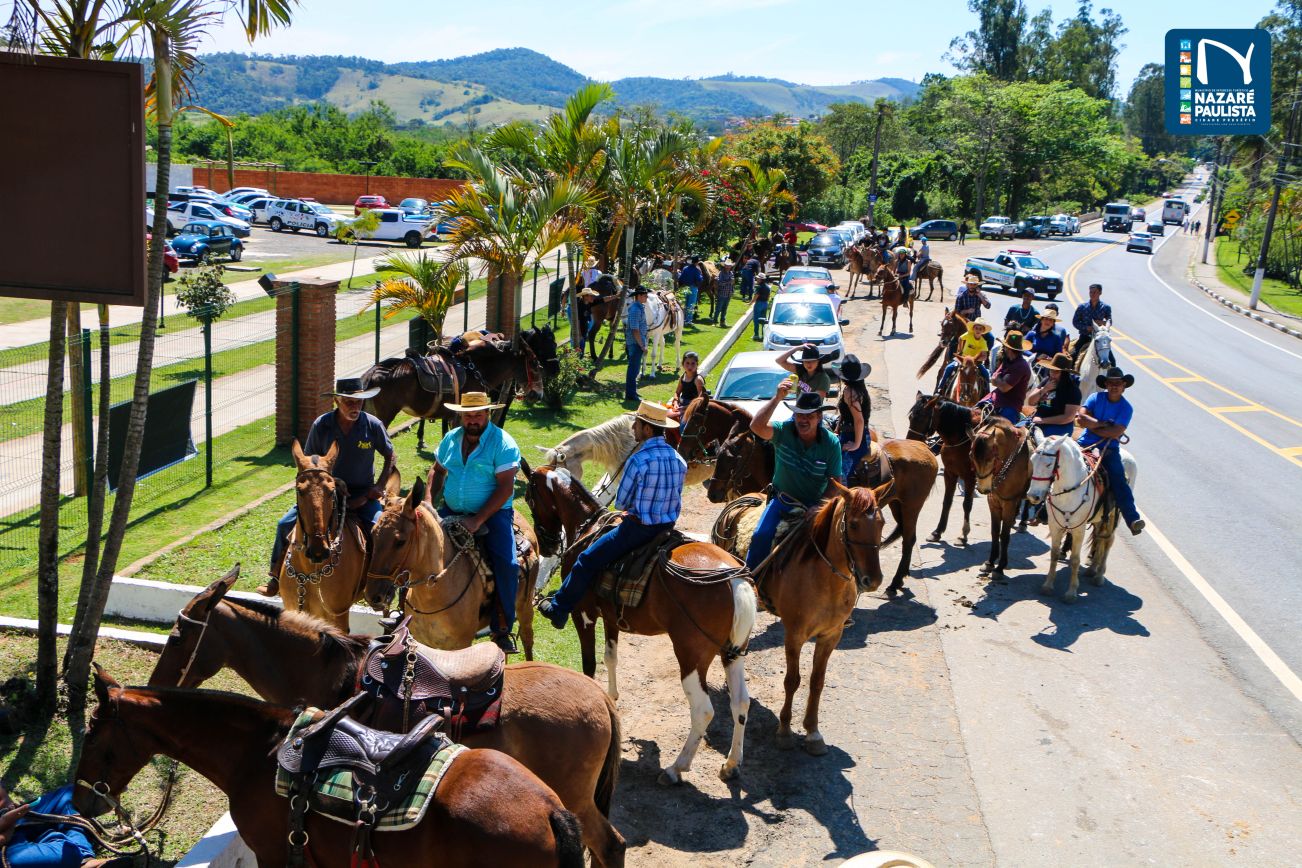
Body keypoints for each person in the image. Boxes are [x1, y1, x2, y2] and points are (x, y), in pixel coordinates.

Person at [537, 400, 687, 627]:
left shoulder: (638, 460)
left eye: (637, 424)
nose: (633, 427)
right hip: (667, 528)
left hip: (638, 529)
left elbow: (621, 502)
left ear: (647, 429)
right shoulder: (679, 459)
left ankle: (559, 609)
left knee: (586, 560)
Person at [263, 378, 395, 596]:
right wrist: (331, 482)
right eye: (349, 402)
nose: (355, 407)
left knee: (380, 530)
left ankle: (380, 583)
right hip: (325, 492)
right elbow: (310, 462)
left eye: (359, 401)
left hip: (363, 494)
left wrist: (379, 487)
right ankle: (275, 576)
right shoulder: (322, 425)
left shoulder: (372, 425)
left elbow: (390, 455)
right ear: (336, 401)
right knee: (284, 524)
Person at [425, 392, 522, 653]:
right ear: (461, 416)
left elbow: (505, 488)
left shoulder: (502, 443)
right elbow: (437, 470)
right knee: (417, 544)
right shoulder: (451, 439)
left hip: (493, 513)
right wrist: (428, 502)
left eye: (478, 415)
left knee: (508, 563)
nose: (473, 420)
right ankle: (405, 610)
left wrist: (478, 520)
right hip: (451, 509)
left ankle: (501, 627)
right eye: (468, 415)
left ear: (487, 414)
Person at [744, 384, 843, 571]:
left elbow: (834, 482)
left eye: (809, 416)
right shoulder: (784, 431)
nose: (803, 420)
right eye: (799, 415)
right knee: (760, 536)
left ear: (819, 417)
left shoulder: (831, 443)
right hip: (783, 500)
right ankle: (751, 578)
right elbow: (756, 426)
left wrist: (819, 506)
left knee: (838, 544)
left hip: (814, 505)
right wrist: (776, 399)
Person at [1077, 367, 1144, 535]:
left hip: (1108, 450)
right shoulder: (1095, 398)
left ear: (1124, 386)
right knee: (1058, 462)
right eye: (1111, 383)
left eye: (1118, 383)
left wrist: (1093, 426)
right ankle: (1042, 508)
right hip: (1084, 444)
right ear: (1106, 384)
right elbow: (1081, 418)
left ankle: (1132, 519)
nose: (1114, 386)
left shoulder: (1126, 408)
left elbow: (1115, 432)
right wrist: (1102, 424)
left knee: (1118, 479)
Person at [0, 783, 95, 867]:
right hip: (4, 848)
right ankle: (84, 858)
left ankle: (79, 856)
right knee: (69, 853)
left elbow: (3, 800)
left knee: (72, 792)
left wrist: (9, 811)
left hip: (10, 821)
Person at [833, 354, 871, 480]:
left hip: (854, 436)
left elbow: (859, 420)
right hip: (854, 433)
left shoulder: (850, 392)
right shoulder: (858, 388)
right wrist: (837, 429)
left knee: (840, 476)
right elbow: (846, 414)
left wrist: (856, 444)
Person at [1027, 353, 1082, 437]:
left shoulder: (1073, 390)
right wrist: (1044, 389)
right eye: (1051, 370)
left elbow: (1068, 417)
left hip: (1059, 426)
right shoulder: (1047, 381)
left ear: (1064, 373)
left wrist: (1043, 420)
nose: (1052, 374)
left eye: (1056, 371)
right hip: (1038, 419)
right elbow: (1030, 402)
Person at [982, 331, 1031, 423]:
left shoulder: (1021, 366)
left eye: (1004, 346)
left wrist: (998, 380)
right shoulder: (1007, 361)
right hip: (994, 398)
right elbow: (993, 379)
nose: (1003, 348)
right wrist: (1001, 381)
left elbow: (1004, 388)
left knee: (1004, 428)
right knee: (973, 413)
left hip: (1010, 405)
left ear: (1008, 348)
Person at [939, 318, 994, 393]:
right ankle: (940, 388)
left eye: (980, 329)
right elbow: (960, 338)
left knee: (986, 373)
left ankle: (987, 393)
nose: (978, 330)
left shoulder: (983, 342)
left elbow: (984, 356)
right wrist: (959, 350)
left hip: (975, 362)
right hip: (963, 359)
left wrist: (975, 359)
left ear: (983, 331)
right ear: (973, 329)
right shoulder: (968, 335)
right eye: (976, 328)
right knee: (949, 367)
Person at [1071, 283, 1113, 367]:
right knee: (1073, 355)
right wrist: (1086, 328)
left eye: (1095, 292)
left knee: (1112, 360)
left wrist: (1101, 323)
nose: (1092, 294)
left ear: (1100, 293)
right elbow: (1075, 322)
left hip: (1099, 338)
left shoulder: (1106, 307)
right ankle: (1072, 373)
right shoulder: (1082, 307)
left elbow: (1109, 321)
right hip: (1085, 337)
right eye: (1091, 292)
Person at [624, 286, 649, 403]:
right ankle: (630, 394)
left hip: (637, 342)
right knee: (633, 369)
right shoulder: (635, 310)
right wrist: (642, 345)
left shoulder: (639, 307)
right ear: (638, 296)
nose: (647, 297)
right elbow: (635, 330)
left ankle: (632, 391)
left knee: (635, 368)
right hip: (635, 343)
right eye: (644, 295)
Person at [667, 351, 706, 420]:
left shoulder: (698, 379)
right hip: (681, 405)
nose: (690, 366)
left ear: (697, 364)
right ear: (683, 364)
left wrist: (685, 408)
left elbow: (701, 399)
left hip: (692, 407)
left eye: (693, 363)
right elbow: (677, 392)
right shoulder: (683, 376)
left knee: (681, 422)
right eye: (687, 363)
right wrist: (675, 402)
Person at [678, 257, 703, 325]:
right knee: (691, 304)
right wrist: (701, 275)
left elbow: (681, 278)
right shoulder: (697, 270)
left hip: (685, 287)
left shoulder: (685, 268)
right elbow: (699, 280)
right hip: (693, 288)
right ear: (696, 262)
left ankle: (683, 319)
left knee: (684, 303)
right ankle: (688, 320)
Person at [715, 260, 735, 327]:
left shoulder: (731, 273)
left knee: (725, 309)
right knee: (718, 308)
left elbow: (732, 284)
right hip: (722, 293)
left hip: (728, 294)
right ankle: (715, 321)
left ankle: (722, 321)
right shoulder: (721, 273)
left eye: (729, 266)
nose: (728, 267)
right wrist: (729, 282)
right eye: (727, 266)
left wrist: (732, 291)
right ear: (725, 266)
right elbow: (719, 283)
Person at [752, 274, 772, 340]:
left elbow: (756, 296)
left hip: (759, 303)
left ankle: (756, 335)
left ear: (761, 279)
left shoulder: (759, 287)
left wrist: (751, 302)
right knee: (763, 320)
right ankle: (764, 335)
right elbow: (768, 296)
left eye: (758, 278)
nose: (757, 279)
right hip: (765, 303)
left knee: (756, 319)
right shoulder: (767, 287)